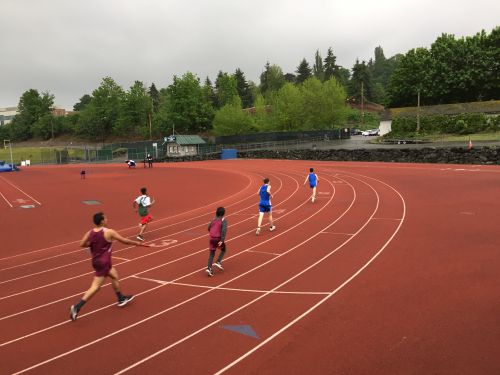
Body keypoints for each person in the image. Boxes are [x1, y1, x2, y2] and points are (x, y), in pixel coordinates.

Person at [69, 212, 150, 321]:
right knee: (95, 287)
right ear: (102, 221)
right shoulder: (109, 232)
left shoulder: (90, 232)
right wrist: (137, 244)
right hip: (104, 262)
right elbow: (124, 241)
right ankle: (77, 307)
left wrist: (93, 244)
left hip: (96, 261)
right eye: (105, 218)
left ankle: (120, 298)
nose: (107, 219)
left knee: (114, 275)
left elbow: (81, 244)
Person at [206, 207, 227, 277]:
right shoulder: (223, 220)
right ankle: (218, 261)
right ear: (223, 213)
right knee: (223, 249)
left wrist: (212, 232)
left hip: (212, 239)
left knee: (212, 254)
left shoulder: (213, 219)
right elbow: (224, 230)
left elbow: (208, 228)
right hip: (218, 239)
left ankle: (209, 268)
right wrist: (222, 240)